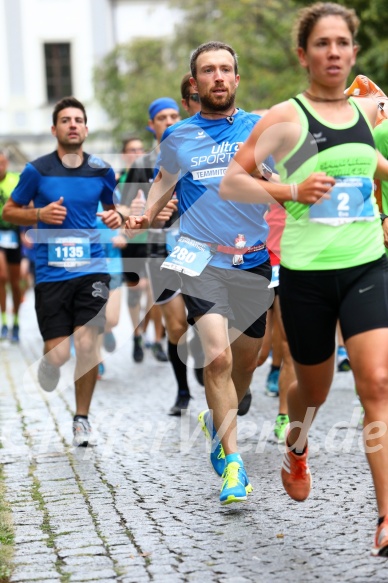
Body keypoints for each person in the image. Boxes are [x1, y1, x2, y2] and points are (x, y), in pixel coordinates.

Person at [220, 2, 388, 555]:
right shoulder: (284, 119)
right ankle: (297, 446)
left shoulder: (371, 113)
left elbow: (377, 166)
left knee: (377, 384)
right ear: (304, 54)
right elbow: (233, 183)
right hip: (307, 274)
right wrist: (292, 192)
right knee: (312, 391)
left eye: (343, 42)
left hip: (367, 263)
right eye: (322, 43)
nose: (333, 52)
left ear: (353, 53)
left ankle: (385, 519)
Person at [126, 42, 273, 504]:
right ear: (195, 82)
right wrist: (141, 218)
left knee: (247, 362)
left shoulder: (258, 128)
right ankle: (233, 466)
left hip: (251, 260)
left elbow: (283, 175)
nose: (218, 77)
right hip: (200, 260)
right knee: (219, 359)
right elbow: (157, 195)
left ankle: (217, 417)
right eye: (208, 70)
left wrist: (273, 180)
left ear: (236, 78)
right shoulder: (179, 137)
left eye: (226, 69)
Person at [3, 96, 123, 447]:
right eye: (66, 120)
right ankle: (49, 363)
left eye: (79, 119)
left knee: (88, 344)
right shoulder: (36, 171)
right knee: (58, 354)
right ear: (54, 129)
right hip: (52, 274)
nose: (73, 124)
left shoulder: (102, 170)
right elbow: (11, 211)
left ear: (86, 128)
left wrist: (116, 218)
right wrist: (39, 215)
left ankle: (82, 418)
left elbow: (111, 211)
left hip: (93, 269)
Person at [123, 97, 202, 415]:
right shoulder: (142, 166)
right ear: (151, 125)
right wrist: (142, 214)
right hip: (160, 252)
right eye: (161, 118)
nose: (169, 121)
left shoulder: (195, 153)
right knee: (175, 325)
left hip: (198, 247)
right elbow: (126, 207)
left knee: (201, 320)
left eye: (173, 116)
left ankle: (204, 359)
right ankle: (183, 390)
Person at [0, 151, 21, 342]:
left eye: (2, 164)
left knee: (15, 283)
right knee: (2, 276)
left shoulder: (15, 180)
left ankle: (15, 321)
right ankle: (3, 321)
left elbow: (28, 205)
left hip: (14, 233)